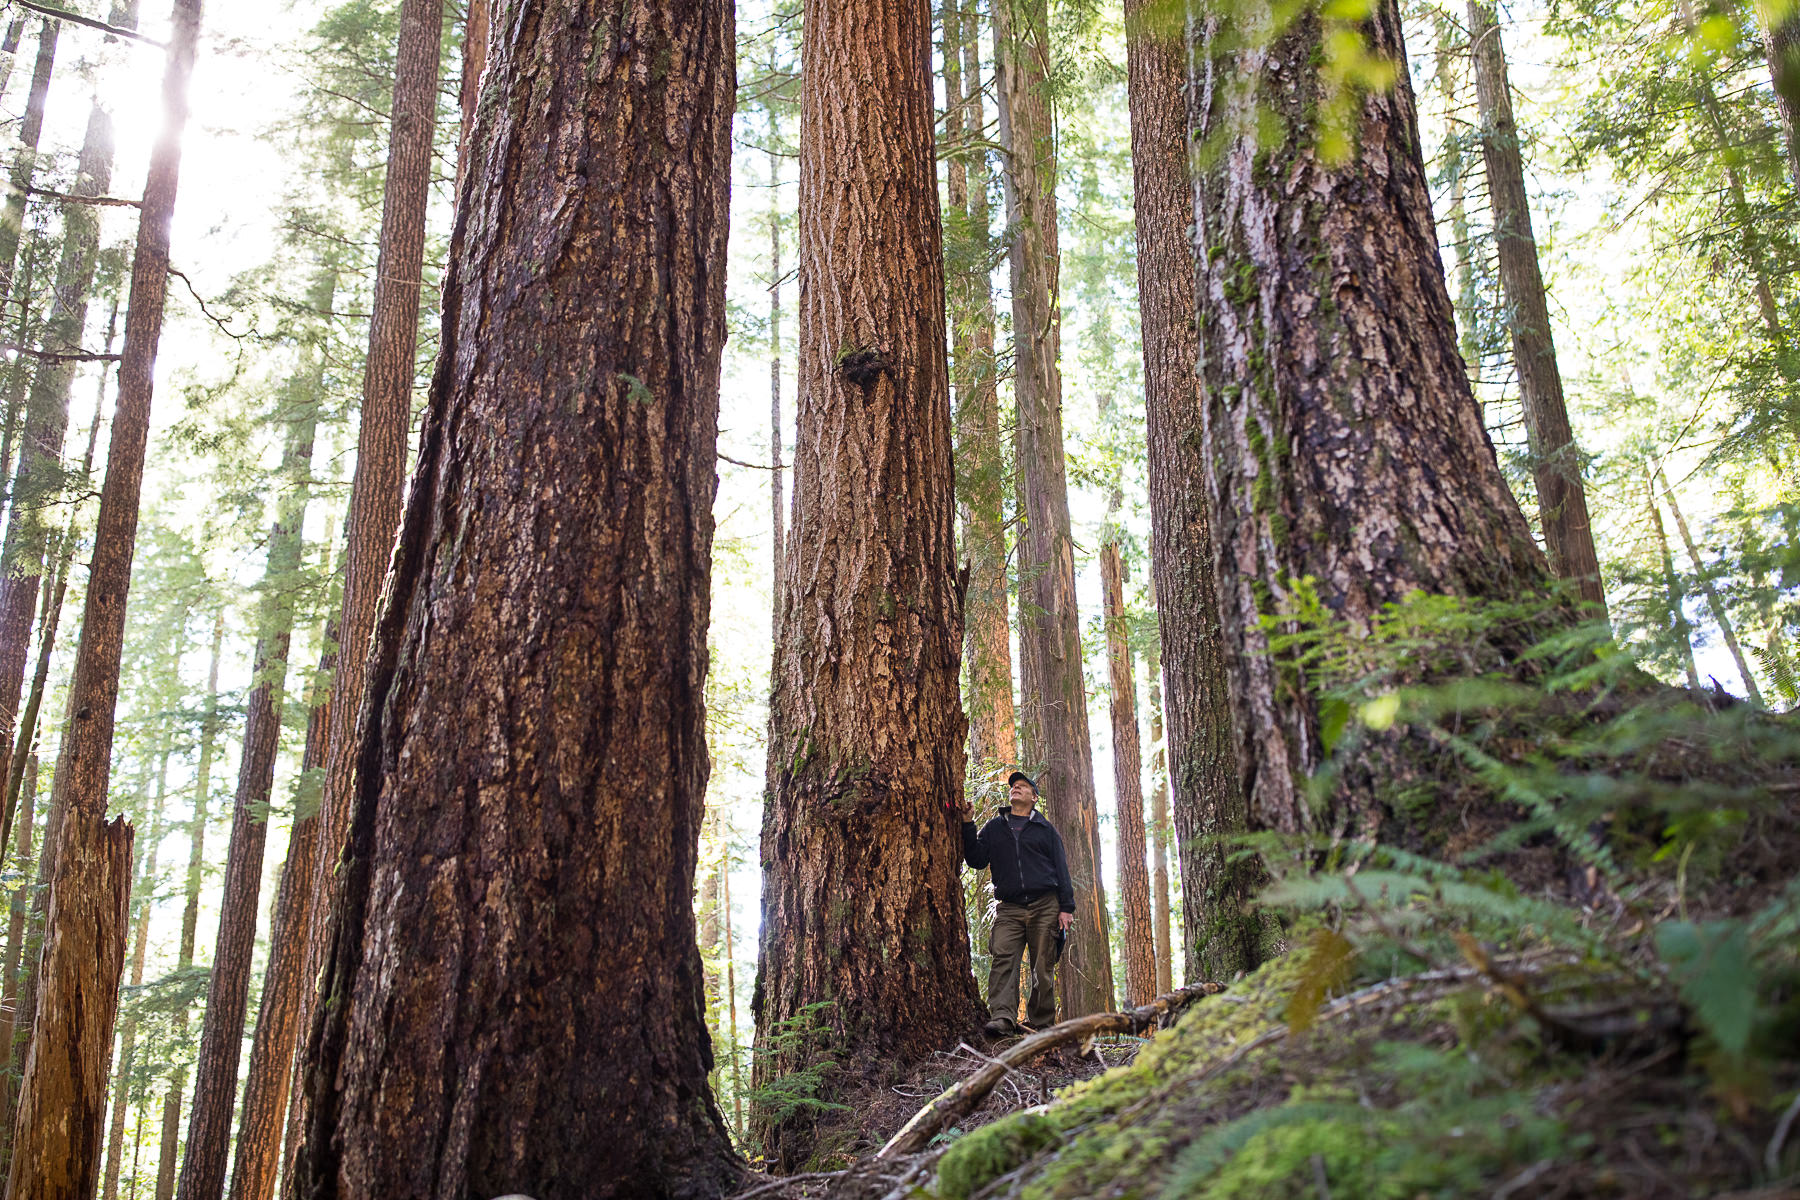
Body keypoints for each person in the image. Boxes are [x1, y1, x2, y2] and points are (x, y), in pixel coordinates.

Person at [959, 770, 1075, 1036]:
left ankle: (1043, 1024)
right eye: (1013, 786)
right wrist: (967, 823)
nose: (1016, 789)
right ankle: (1002, 1017)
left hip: (1045, 905)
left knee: (1042, 966)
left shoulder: (1045, 830)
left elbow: (1061, 869)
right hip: (1009, 908)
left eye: (1023, 787)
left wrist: (1066, 908)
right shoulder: (995, 827)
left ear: (1034, 797)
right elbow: (976, 859)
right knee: (1003, 959)